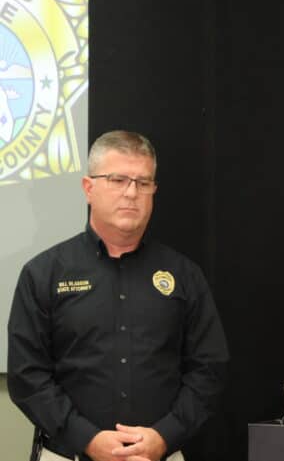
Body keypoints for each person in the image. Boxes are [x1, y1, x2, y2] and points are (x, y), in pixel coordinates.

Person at [7, 131, 229, 461]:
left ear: (154, 190)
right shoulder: (43, 274)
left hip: (160, 454)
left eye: (143, 182)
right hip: (68, 455)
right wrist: (86, 438)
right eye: (118, 179)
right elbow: (28, 375)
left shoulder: (184, 276)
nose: (131, 193)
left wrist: (165, 436)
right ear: (88, 188)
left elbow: (209, 369)